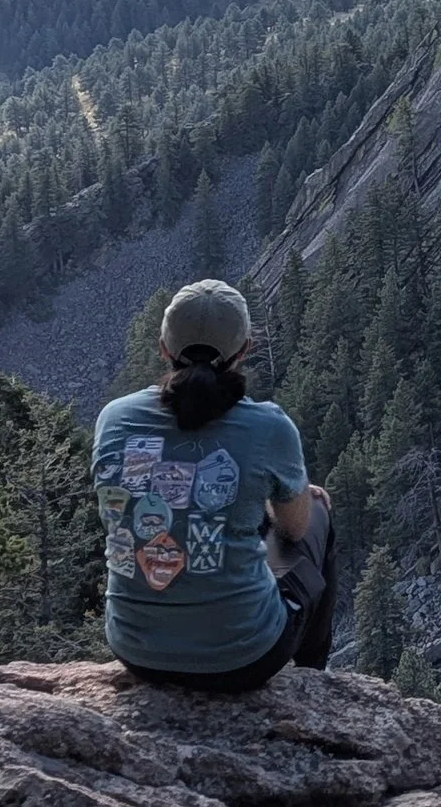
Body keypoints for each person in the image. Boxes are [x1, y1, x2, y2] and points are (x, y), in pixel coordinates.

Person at [90, 277, 336, 691]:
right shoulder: (269, 427)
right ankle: (313, 679)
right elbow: (293, 531)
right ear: (245, 350)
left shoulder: (113, 417)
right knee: (318, 514)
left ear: (163, 348)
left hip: (135, 650)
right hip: (243, 659)